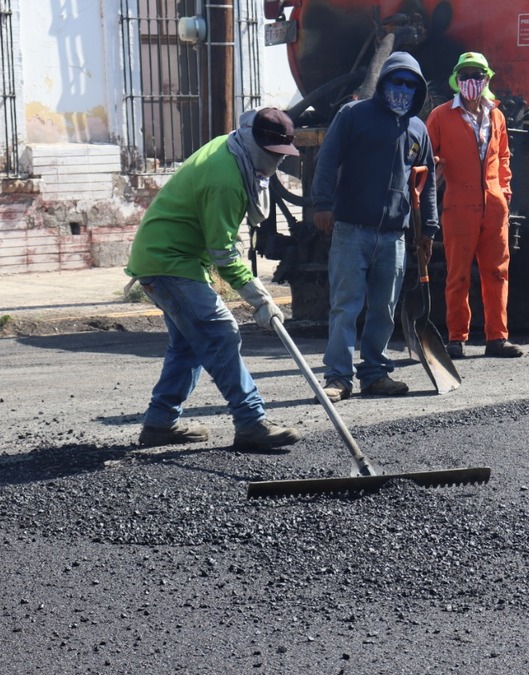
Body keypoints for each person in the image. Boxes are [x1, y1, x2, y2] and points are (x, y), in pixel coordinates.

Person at [125, 107, 302, 451]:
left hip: (170, 258)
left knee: (190, 344)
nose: (276, 162)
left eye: (282, 155)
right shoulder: (226, 179)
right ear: (254, 143)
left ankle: (160, 423)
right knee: (220, 333)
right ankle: (251, 422)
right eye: (272, 154)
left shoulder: (234, 149)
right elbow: (222, 252)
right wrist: (258, 298)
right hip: (169, 262)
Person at [312, 52, 439, 403]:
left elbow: (426, 181)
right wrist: (322, 204)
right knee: (346, 306)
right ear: (383, 83)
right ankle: (338, 377)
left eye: (410, 84)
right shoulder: (354, 115)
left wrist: (429, 228)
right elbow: (328, 159)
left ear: (418, 90)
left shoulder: (418, 129)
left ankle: (374, 374)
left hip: (394, 237)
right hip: (352, 230)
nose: (402, 89)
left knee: (384, 309)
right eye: (396, 81)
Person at [426, 52, 523, 359]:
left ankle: (497, 338)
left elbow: (504, 156)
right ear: (457, 79)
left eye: (476, 75)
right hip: (458, 205)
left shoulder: (496, 116)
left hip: (493, 207)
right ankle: (457, 338)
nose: (471, 81)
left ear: (486, 79)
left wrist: (503, 193)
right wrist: (435, 169)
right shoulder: (441, 116)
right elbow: (426, 157)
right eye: (465, 75)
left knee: (497, 273)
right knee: (458, 275)